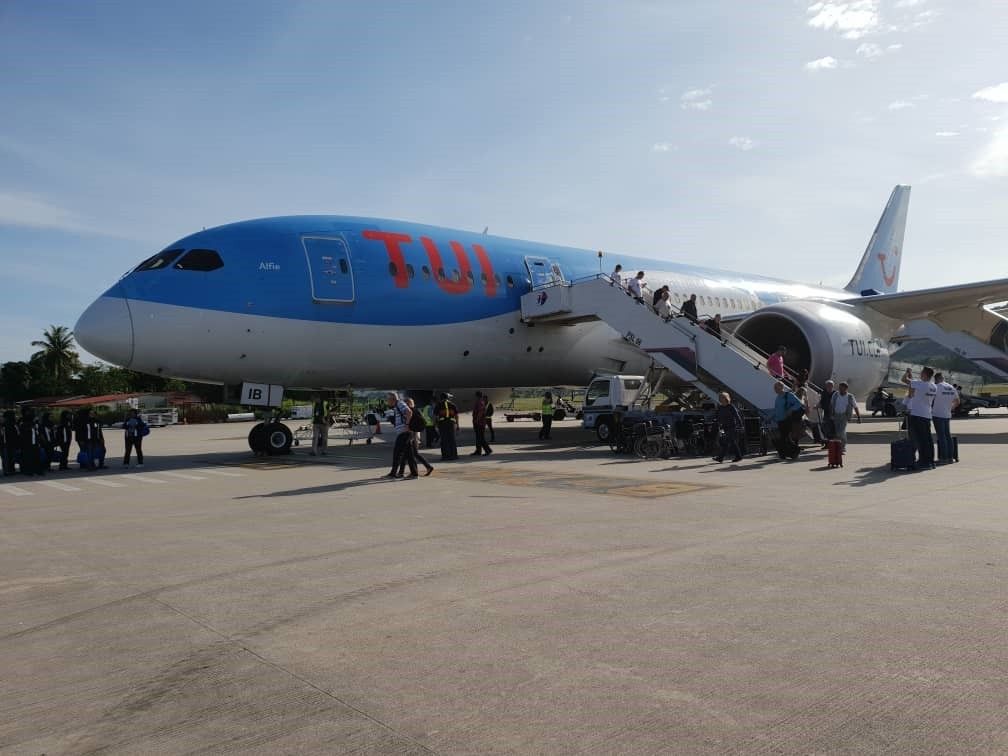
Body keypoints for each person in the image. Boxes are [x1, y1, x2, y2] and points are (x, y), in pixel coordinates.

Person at [901, 366, 937, 470]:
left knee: (919, 440)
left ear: (925, 374)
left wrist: (907, 372)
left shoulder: (920, 384)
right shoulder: (934, 386)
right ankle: (930, 461)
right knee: (928, 440)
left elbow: (904, 380)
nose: (920, 374)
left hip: (917, 415)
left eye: (921, 373)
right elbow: (914, 385)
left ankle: (923, 462)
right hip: (927, 415)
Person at [396, 398, 434, 476]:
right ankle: (402, 472)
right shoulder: (416, 410)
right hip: (415, 434)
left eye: (405, 403)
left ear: (408, 403)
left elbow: (411, 424)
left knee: (409, 453)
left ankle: (405, 472)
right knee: (410, 453)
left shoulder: (411, 411)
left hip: (412, 434)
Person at [384, 392, 418, 479]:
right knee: (409, 454)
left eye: (388, 399)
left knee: (397, 452)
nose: (387, 401)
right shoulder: (398, 405)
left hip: (404, 432)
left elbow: (409, 412)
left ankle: (393, 473)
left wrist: (406, 425)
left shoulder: (400, 403)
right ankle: (414, 474)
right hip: (405, 432)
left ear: (392, 399)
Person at [931, 371, 960, 462]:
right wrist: (950, 408)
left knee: (941, 436)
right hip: (947, 414)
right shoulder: (951, 387)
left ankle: (944, 457)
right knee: (948, 435)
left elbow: (930, 399)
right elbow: (957, 401)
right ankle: (950, 457)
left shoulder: (936, 387)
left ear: (937, 379)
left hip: (937, 414)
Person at [773, 380, 804, 459]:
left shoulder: (788, 395)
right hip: (779, 420)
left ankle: (787, 453)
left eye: (776, 387)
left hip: (787, 419)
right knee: (785, 438)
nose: (774, 389)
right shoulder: (778, 397)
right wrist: (771, 417)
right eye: (774, 388)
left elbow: (799, 403)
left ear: (781, 387)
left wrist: (791, 409)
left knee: (784, 437)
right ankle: (788, 453)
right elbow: (777, 409)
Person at [830, 381, 861, 452]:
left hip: (845, 416)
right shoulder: (835, 394)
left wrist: (858, 417)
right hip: (836, 415)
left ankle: (843, 447)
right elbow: (831, 405)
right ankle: (839, 446)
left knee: (841, 431)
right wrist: (831, 414)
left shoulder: (850, 396)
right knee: (838, 432)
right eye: (839, 388)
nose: (840, 389)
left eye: (842, 388)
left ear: (846, 388)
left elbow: (855, 407)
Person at [713, 392, 744, 463]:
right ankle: (738, 456)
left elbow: (737, 416)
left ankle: (720, 457)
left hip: (732, 426)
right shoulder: (720, 407)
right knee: (732, 442)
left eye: (722, 397)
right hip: (725, 427)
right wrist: (715, 422)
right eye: (720, 398)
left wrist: (740, 425)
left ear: (726, 398)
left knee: (727, 442)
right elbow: (717, 417)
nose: (720, 399)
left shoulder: (731, 406)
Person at [434, 392, 459, 461]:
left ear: (441, 398)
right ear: (447, 398)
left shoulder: (438, 405)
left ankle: (445, 456)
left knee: (444, 440)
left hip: (442, 424)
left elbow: (435, 416)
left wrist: (435, 425)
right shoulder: (452, 404)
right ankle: (454, 455)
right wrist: (457, 424)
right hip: (451, 424)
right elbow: (456, 415)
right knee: (452, 440)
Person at [471, 391, 492, 456]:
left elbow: (480, 412)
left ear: (476, 396)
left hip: (479, 423)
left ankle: (488, 450)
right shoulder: (481, 402)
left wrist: (477, 420)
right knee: (478, 437)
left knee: (480, 437)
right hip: (480, 422)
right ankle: (478, 451)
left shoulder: (479, 402)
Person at [818, 380, 837, 446]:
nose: (828, 387)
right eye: (827, 385)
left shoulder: (835, 393)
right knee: (824, 428)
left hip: (833, 413)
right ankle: (827, 443)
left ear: (832, 386)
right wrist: (818, 405)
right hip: (826, 412)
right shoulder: (824, 392)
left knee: (832, 429)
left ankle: (830, 443)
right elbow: (822, 400)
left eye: (830, 385)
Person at [0, 409, 18, 476]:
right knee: (8, 457)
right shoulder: (10, 425)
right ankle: (9, 470)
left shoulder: (4, 425)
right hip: (7, 444)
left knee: (7, 458)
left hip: (7, 444)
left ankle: (8, 470)